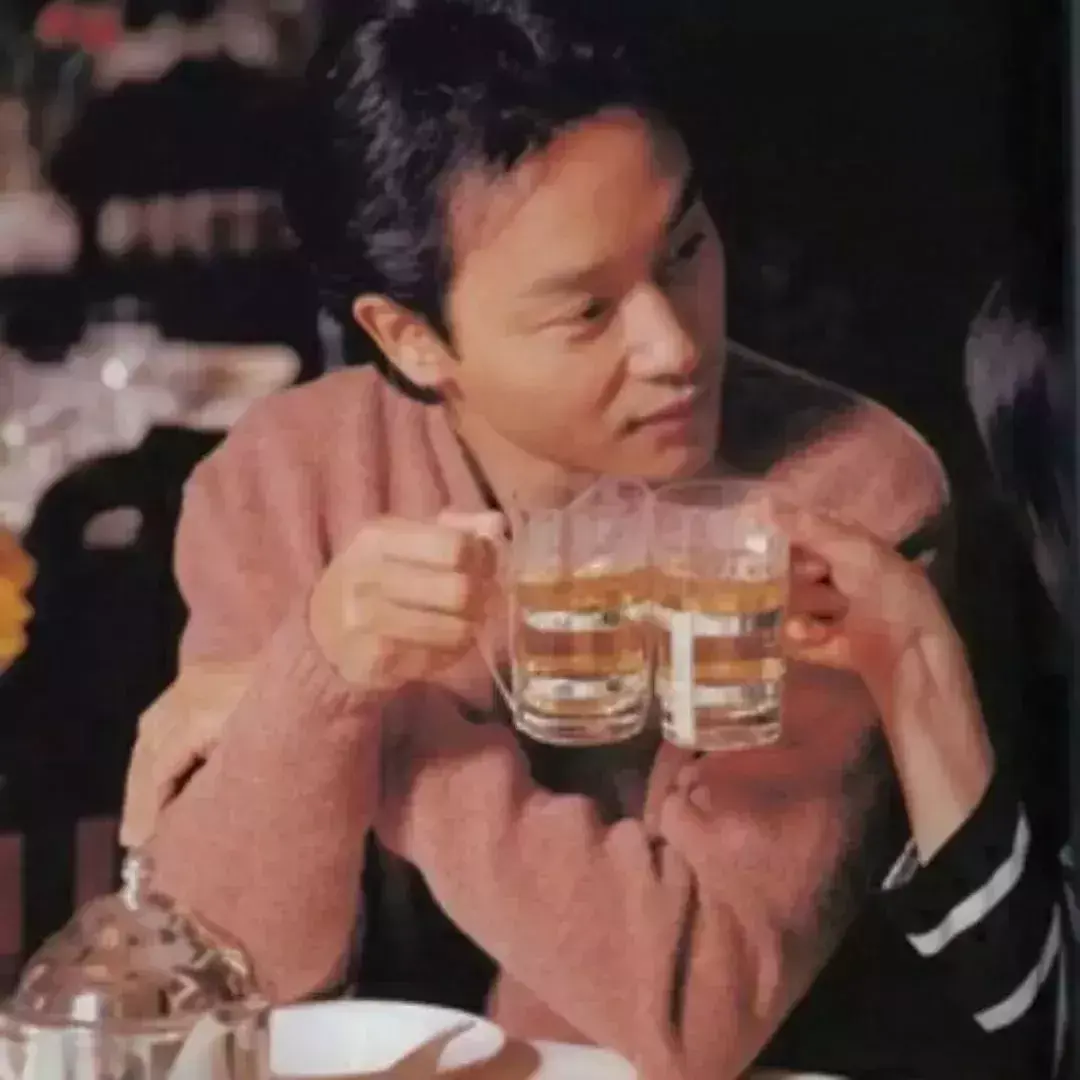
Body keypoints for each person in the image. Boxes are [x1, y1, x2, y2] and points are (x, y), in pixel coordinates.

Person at [119, 2, 1067, 1076]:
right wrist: (320, 673)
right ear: (411, 338)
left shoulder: (843, 492)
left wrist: (366, 710)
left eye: (685, 249)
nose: (674, 347)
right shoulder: (280, 481)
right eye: (586, 312)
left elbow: (695, 1002)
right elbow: (219, 986)